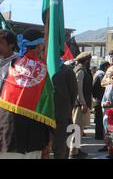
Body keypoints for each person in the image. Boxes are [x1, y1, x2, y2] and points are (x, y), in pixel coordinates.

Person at [0, 29, 52, 159]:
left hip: (6, 134)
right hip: (33, 137)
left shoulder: (10, 66)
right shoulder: (43, 69)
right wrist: (48, 139)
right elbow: (48, 105)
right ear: (39, 46)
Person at [51, 59, 78, 159]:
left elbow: (73, 93)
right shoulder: (43, 68)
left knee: (60, 147)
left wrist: (68, 110)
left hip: (61, 115)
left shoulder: (67, 71)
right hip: (45, 115)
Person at [70, 52, 93, 159]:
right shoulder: (80, 71)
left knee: (78, 128)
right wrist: (83, 103)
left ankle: (76, 150)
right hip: (79, 105)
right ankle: (74, 151)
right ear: (86, 60)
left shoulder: (80, 70)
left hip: (79, 104)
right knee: (77, 128)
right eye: (89, 60)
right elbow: (79, 90)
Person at [92, 61, 109, 147]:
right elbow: (97, 87)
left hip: (98, 99)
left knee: (98, 118)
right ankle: (99, 135)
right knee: (99, 119)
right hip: (100, 99)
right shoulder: (101, 75)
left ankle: (98, 134)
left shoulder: (98, 73)